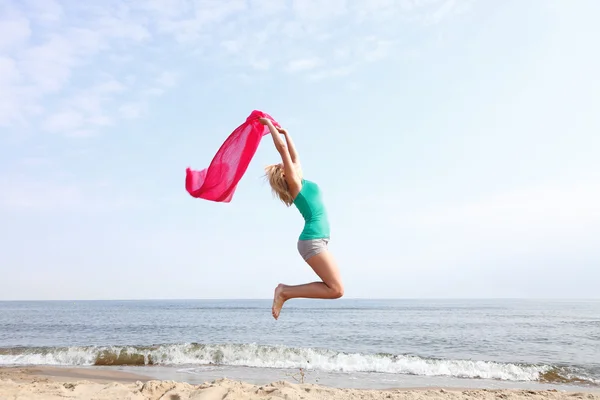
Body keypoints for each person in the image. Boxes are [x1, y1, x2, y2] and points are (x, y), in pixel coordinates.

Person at [259, 118, 344, 320]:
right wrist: (268, 126)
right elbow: (283, 151)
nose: (286, 163)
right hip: (312, 241)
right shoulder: (295, 185)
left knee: (336, 289)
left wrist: (286, 133)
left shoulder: (300, 178)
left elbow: (294, 156)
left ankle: (286, 291)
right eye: (283, 165)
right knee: (336, 290)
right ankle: (285, 291)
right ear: (285, 175)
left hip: (318, 240)